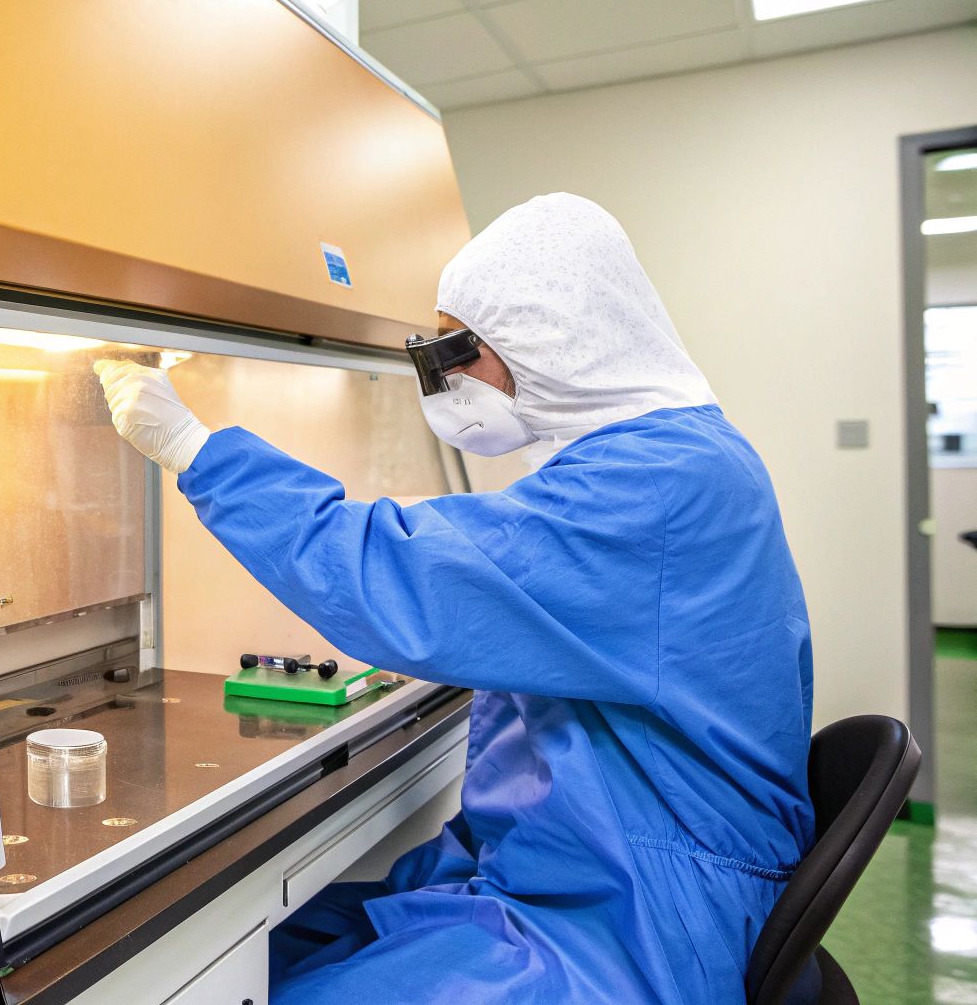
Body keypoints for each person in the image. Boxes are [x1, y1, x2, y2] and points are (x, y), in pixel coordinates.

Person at [93, 193, 814, 1004]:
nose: (444, 379)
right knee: (275, 949)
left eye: (455, 350)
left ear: (551, 340)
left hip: (638, 920)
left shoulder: (663, 484)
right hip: (589, 866)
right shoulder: (668, 458)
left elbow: (403, 579)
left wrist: (198, 452)